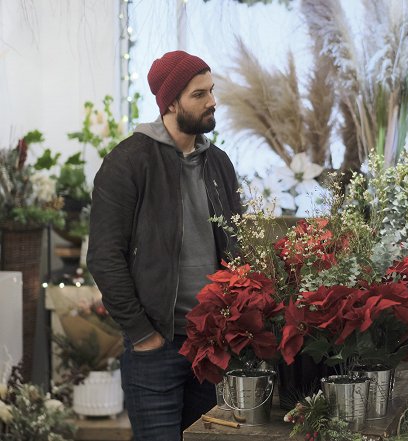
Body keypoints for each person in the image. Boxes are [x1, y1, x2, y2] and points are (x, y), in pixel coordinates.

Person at [87, 50, 241, 440]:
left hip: (213, 345)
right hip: (156, 347)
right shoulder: (127, 163)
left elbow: (238, 245)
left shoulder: (219, 163)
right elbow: (104, 257)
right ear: (170, 102)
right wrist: (143, 335)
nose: (212, 101)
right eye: (198, 94)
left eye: (211, 90)